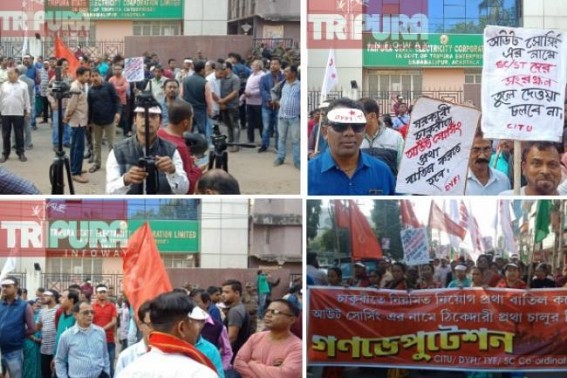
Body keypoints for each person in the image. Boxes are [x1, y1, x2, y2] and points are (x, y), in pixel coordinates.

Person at [116, 292, 218, 378]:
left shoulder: (129, 372)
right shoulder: (200, 373)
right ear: (181, 328)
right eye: (194, 323)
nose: (199, 328)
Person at [308, 97, 396, 195]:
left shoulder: (382, 172)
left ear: (364, 130)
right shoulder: (308, 174)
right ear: (325, 132)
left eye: (357, 127)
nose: (349, 133)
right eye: (340, 126)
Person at [106, 102, 189, 194]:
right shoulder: (118, 151)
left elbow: (183, 191)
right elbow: (110, 191)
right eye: (142, 115)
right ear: (135, 120)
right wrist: (125, 180)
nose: (147, 120)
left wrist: (173, 172)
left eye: (153, 116)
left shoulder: (171, 150)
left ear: (160, 122)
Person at [233, 299, 302, 378]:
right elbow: (238, 362)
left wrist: (252, 363)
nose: (268, 315)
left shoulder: (298, 347)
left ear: (292, 320)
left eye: (275, 312)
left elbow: (283, 375)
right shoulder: (256, 337)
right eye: (267, 311)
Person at [55, 300, 110, 378]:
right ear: (75, 315)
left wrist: (107, 372)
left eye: (92, 312)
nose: (90, 315)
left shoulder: (100, 332)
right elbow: (60, 360)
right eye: (86, 312)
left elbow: (105, 355)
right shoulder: (66, 335)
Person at [157, 99, 202, 193]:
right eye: (191, 118)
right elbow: (186, 185)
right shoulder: (180, 147)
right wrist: (198, 170)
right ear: (185, 122)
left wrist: (188, 160)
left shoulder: (159, 133)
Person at [0, 276, 36, 378]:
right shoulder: (1, 304)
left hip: (14, 351)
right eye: (3, 286)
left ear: (16, 288)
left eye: (7, 286)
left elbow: (32, 329)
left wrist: (17, 334)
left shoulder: (24, 306)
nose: (4, 289)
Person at [189, 289, 233, 372]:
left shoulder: (218, 327)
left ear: (207, 303)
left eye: (196, 302)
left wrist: (220, 369)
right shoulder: (185, 324)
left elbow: (227, 352)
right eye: (190, 302)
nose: (193, 306)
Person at [358, 97, 404, 173]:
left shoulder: (396, 138)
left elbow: (403, 171)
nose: (355, 119)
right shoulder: (353, 139)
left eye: (359, 116)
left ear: (372, 116)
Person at [87, 68, 120, 174]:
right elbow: (90, 108)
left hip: (109, 120)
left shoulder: (108, 86)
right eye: (93, 76)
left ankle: (113, 165)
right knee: (96, 144)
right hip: (96, 121)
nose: (95, 78)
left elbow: (116, 100)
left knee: (112, 144)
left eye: (96, 75)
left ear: (100, 76)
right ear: (90, 78)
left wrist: (118, 113)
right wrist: (89, 122)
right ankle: (97, 163)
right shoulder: (90, 91)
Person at [64, 66, 91, 184]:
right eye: (85, 75)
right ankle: (75, 173)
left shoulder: (80, 86)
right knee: (78, 147)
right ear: (79, 75)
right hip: (77, 121)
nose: (88, 77)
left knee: (75, 145)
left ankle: (75, 167)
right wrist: (67, 117)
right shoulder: (75, 87)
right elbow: (71, 105)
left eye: (88, 75)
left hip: (81, 120)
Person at [466, 129, 511, 195]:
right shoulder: (459, 183)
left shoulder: (503, 180)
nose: (482, 156)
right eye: (476, 150)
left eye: (486, 149)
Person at [0, 67, 30, 163]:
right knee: (5, 134)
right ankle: (5, 153)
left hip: (18, 113)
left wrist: (27, 111)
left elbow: (26, 99)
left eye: (11, 73)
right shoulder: (4, 85)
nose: (9, 75)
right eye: (8, 74)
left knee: (19, 134)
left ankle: (20, 152)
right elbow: (1, 99)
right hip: (5, 113)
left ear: (17, 74)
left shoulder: (23, 85)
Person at [274, 64, 300, 169]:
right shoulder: (282, 83)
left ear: (293, 73)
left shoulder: (300, 85)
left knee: (295, 140)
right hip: (282, 116)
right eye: (284, 71)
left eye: (287, 71)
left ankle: (297, 161)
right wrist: (275, 100)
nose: (284, 73)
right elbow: (273, 91)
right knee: (281, 138)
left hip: (294, 117)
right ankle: (280, 157)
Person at [114, 301, 151, 375]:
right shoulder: (127, 357)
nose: (156, 330)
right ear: (140, 325)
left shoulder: (173, 358)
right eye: (150, 325)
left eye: (160, 325)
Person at [221, 280, 251, 366]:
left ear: (237, 293)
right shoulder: (238, 308)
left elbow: (231, 338)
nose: (223, 294)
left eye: (226, 292)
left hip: (234, 356)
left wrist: (222, 355)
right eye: (222, 292)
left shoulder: (235, 311)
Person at [258, 57, 283, 153]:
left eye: (275, 64)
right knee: (266, 127)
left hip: (279, 107)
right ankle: (264, 145)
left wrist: (277, 101)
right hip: (267, 106)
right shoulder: (264, 78)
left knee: (278, 128)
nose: (273, 66)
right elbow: (262, 90)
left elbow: (285, 91)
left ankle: (278, 146)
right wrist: (270, 99)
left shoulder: (284, 77)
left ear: (280, 65)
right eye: (271, 64)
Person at [92, 285, 117, 378]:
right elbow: (90, 321)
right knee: (96, 365)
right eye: (100, 292)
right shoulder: (92, 307)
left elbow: (114, 321)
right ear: (96, 294)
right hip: (95, 340)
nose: (102, 294)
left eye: (104, 292)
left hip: (109, 340)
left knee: (110, 364)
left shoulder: (112, 306)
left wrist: (102, 329)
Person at [182, 60, 213, 137]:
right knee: (202, 130)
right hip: (201, 109)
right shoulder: (205, 82)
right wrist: (210, 111)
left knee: (189, 130)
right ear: (202, 70)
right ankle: (202, 146)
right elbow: (208, 99)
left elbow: (181, 95)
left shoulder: (185, 80)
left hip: (187, 109)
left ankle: (188, 146)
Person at [218, 62, 241, 152]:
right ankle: (230, 142)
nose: (222, 71)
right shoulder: (222, 78)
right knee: (228, 124)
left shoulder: (235, 78)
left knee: (235, 124)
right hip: (224, 106)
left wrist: (223, 101)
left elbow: (235, 93)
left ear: (229, 68)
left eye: (224, 69)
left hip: (232, 105)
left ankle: (236, 144)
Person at [37, 289, 60, 378]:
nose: (43, 297)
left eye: (46, 295)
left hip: (56, 348)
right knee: (45, 374)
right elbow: (38, 326)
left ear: (53, 297)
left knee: (57, 374)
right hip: (44, 348)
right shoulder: (42, 311)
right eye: (43, 295)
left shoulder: (59, 309)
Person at [243, 60, 264, 143]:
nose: (252, 66)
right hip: (249, 102)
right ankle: (250, 139)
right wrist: (243, 97)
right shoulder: (251, 75)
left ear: (259, 66)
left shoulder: (262, 75)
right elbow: (247, 87)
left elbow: (262, 89)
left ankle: (263, 139)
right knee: (250, 121)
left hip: (258, 103)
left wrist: (251, 93)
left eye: (253, 65)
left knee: (260, 122)